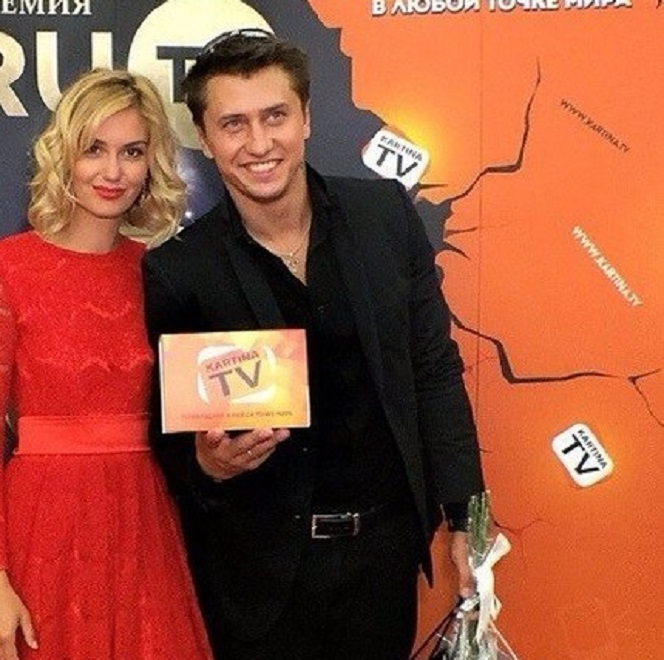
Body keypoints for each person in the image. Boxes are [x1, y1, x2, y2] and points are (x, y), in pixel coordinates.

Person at [142, 30, 486, 660]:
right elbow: (169, 437)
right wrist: (208, 464)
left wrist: (467, 516)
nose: (259, 143)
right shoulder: (180, 269)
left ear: (306, 118)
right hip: (257, 579)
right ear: (206, 139)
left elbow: (434, 369)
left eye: (275, 116)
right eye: (234, 124)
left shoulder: (384, 215)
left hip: (383, 566)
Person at [0, 68, 212, 660]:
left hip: (140, 527)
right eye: (94, 149)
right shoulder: (3, 268)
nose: (113, 172)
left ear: (151, 164)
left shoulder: (159, 273)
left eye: (131, 152)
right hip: (40, 529)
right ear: (64, 154)